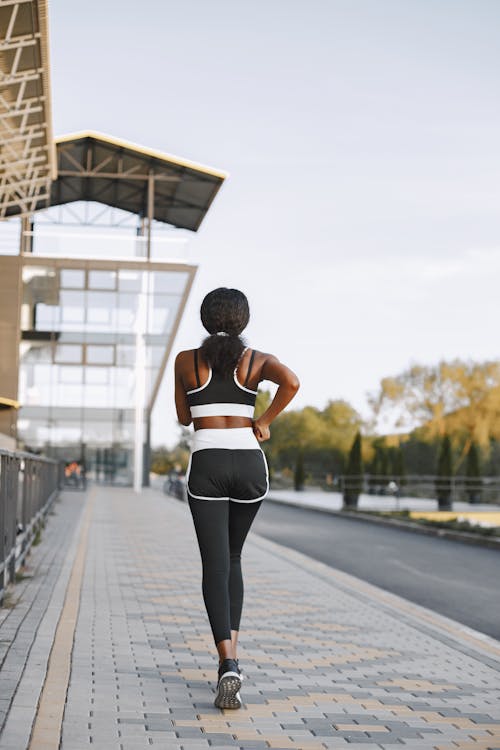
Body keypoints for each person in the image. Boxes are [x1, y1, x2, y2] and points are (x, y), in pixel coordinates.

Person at [174, 287, 299, 709]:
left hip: (207, 463)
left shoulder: (186, 361)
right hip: (249, 465)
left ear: (206, 320)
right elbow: (292, 382)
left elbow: (183, 417)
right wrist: (262, 420)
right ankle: (234, 660)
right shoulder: (258, 360)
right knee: (233, 559)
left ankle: (228, 661)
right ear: (243, 320)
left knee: (213, 563)